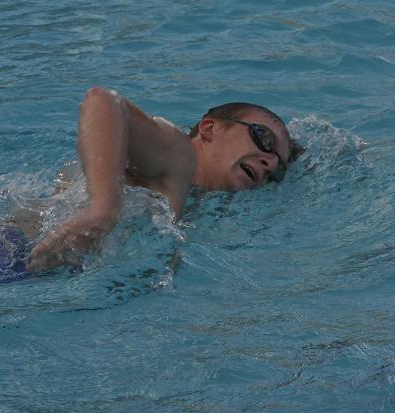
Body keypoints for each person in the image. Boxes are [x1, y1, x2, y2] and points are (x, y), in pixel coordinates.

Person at [26, 87, 301, 273]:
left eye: (278, 170)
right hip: (6, 252)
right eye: (265, 139)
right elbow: (102, 100)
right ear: (209, 128)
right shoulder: (179, 154)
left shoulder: (194, 199)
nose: (271, 162)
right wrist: (103, 208)